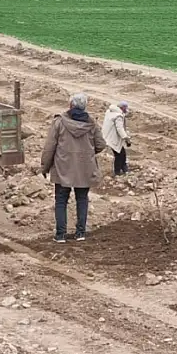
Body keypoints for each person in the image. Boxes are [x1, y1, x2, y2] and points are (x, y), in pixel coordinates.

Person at [41, 93, 106, 244]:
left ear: (70, 105)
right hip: (84, 168)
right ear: (85, 106)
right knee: (82, 199)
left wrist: (45, 166)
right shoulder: (92, 123)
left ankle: (60, 235)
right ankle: (80, 233)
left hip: (63, 167)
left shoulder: (59, 122)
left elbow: (50, 147)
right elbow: (101, 145)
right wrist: (88, 154)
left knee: (61, 201)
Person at [102, 100, 131, 176]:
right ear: (122, 108)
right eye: (125, 108)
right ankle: (118, 172)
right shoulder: (118, 116)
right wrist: (126, 138)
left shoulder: (110, 112)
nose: (126, 109)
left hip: (108, 136)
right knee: (119, 154)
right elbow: (120, 129)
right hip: (113, 138)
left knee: (122, 153)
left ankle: (124, 168)